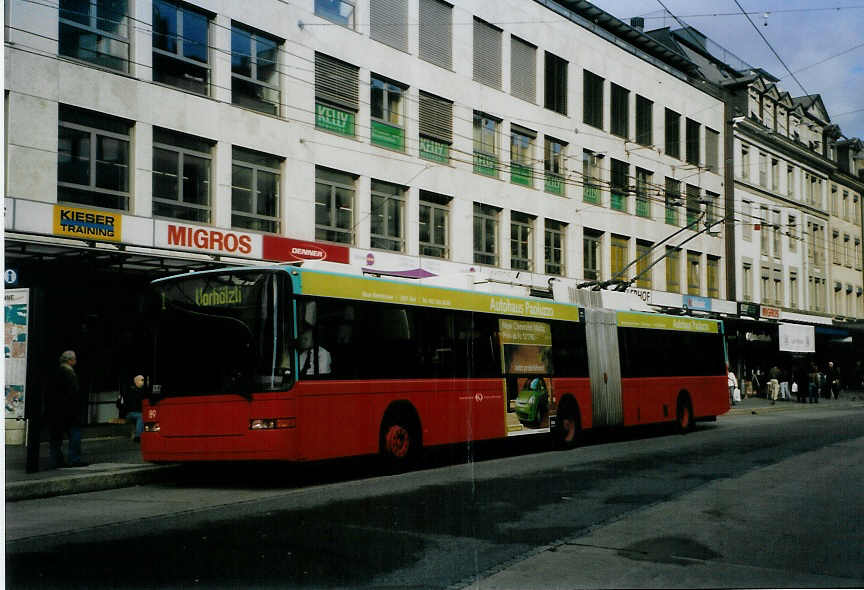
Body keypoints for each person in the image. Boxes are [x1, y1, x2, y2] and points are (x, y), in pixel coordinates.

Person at [46, 350, 87, 468]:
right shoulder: (70, 374)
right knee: (75, 434)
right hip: (69, 411)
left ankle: (55, 460)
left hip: (55, 411)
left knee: (56, 438)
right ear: (70, 360)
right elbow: (73, 393)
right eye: (74, 359)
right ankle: (74, 459)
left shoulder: (55, 372)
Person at [117, 374, 146, 442]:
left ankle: (140, 435)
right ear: (136, 381)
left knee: (141, 416)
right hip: (130, 413)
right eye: (141, 380)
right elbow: (120, 404)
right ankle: (138, 436)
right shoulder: (131, 392)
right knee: (141, 416)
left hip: (134, 412)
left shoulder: (140, 391)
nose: (143, 382)